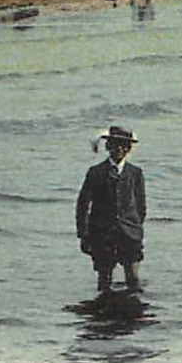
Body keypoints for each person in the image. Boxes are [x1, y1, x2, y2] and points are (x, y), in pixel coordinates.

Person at [76, 126, 146, 294]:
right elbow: (83, 205)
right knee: (104, 280)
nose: (120, 149)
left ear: (129, 149)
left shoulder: (135, 173)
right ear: (107, 147)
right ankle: (103, 315)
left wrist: (135, 228)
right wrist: (83, 235)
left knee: (133, 280)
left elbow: (141, 205)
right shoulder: (96, 172)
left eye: (125, 145)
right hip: (102, 234)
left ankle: (133, 314)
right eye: (115, 145)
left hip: (129, 234)